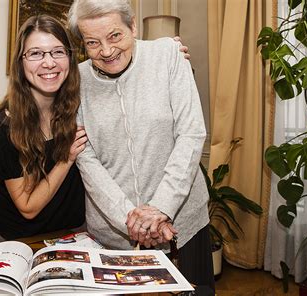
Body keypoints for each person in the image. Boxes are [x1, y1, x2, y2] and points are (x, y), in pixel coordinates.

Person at [68, 0, 214, 291]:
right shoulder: (76, 79)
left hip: (182, 226)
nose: (107, 51)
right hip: (114, 232)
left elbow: (191, 133)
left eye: (115, 36)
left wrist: (161, 208)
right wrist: (132, 220)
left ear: (132, 26)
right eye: (93, 43)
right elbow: (86, 156)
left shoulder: (168, 55)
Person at [0, 15, 87, 242]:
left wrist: (163, 54)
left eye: (58, 51)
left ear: (70, 58)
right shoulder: (7, 124)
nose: (49, 63)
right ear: (20, 63)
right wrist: (67, 158)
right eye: (35, 53)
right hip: (18, 239)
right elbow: (28, 207)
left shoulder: (81, 105)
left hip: (72, 234)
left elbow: (111, 64)